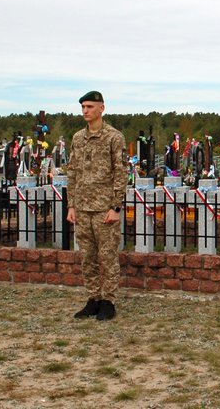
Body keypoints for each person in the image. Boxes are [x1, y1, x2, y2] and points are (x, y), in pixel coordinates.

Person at [67, 91, 127, 321]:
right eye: (83, 107)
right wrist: (71, 205)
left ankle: (108, 301)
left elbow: (120, 174)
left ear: (102, 108)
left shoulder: (113, 137)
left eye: (90, 106)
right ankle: (93, 298)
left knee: (108, 255)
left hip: (104, 209)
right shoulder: (77, 138)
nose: (85, 111)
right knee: (87, 256)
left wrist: (116, 207)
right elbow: (73, 172)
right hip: (82, 208)